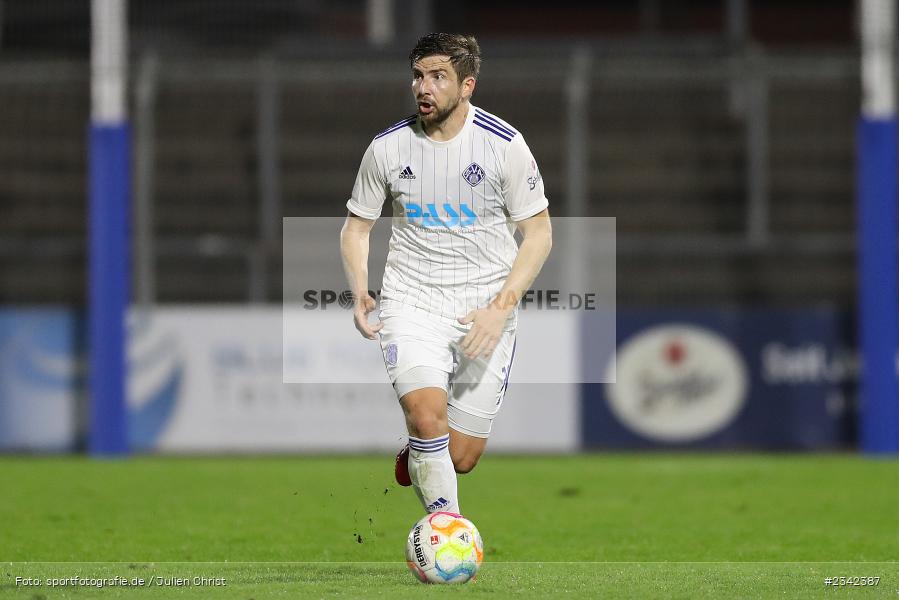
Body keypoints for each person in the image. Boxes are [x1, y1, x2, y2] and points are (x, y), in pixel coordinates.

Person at [340, 33, 552, 515]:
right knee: (425, 414)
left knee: (460, 456)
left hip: (483, 311)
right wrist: (360, 292)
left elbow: (539, 235)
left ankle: (421, 450)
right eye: (418, 75)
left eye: (438, 76)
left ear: (467, 85)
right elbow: (356, 228)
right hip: (410, 301)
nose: (423, 87)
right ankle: (446, 532)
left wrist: (499, 311)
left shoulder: (504, 146)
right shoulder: (388, 148)